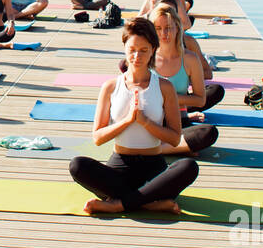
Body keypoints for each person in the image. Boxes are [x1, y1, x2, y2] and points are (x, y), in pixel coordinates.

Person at [67, 17, 203, 215]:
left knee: (189, 166)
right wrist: (127, 121)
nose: (137, 56)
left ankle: (120, 203)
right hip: (120, 165)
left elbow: (174, 139)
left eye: (144, 50)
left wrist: (145, 122)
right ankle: (148, 201)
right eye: (132, 50)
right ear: (124, 48)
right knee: (77, 165)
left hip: (154, 168)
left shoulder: (165, 87)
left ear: (153, 50)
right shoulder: (111, 87)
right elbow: (98, 138)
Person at [148, 3, 223, 155]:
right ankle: (174, 147)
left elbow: (200, 100)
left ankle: (155, 149)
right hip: (150, 123)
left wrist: (170, 98)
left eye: (168, 28)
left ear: (177, 28)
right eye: (158, 28)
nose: (164, 33)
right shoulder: (147, 56)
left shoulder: (190, 59)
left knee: (209, 132)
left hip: (179, 122)